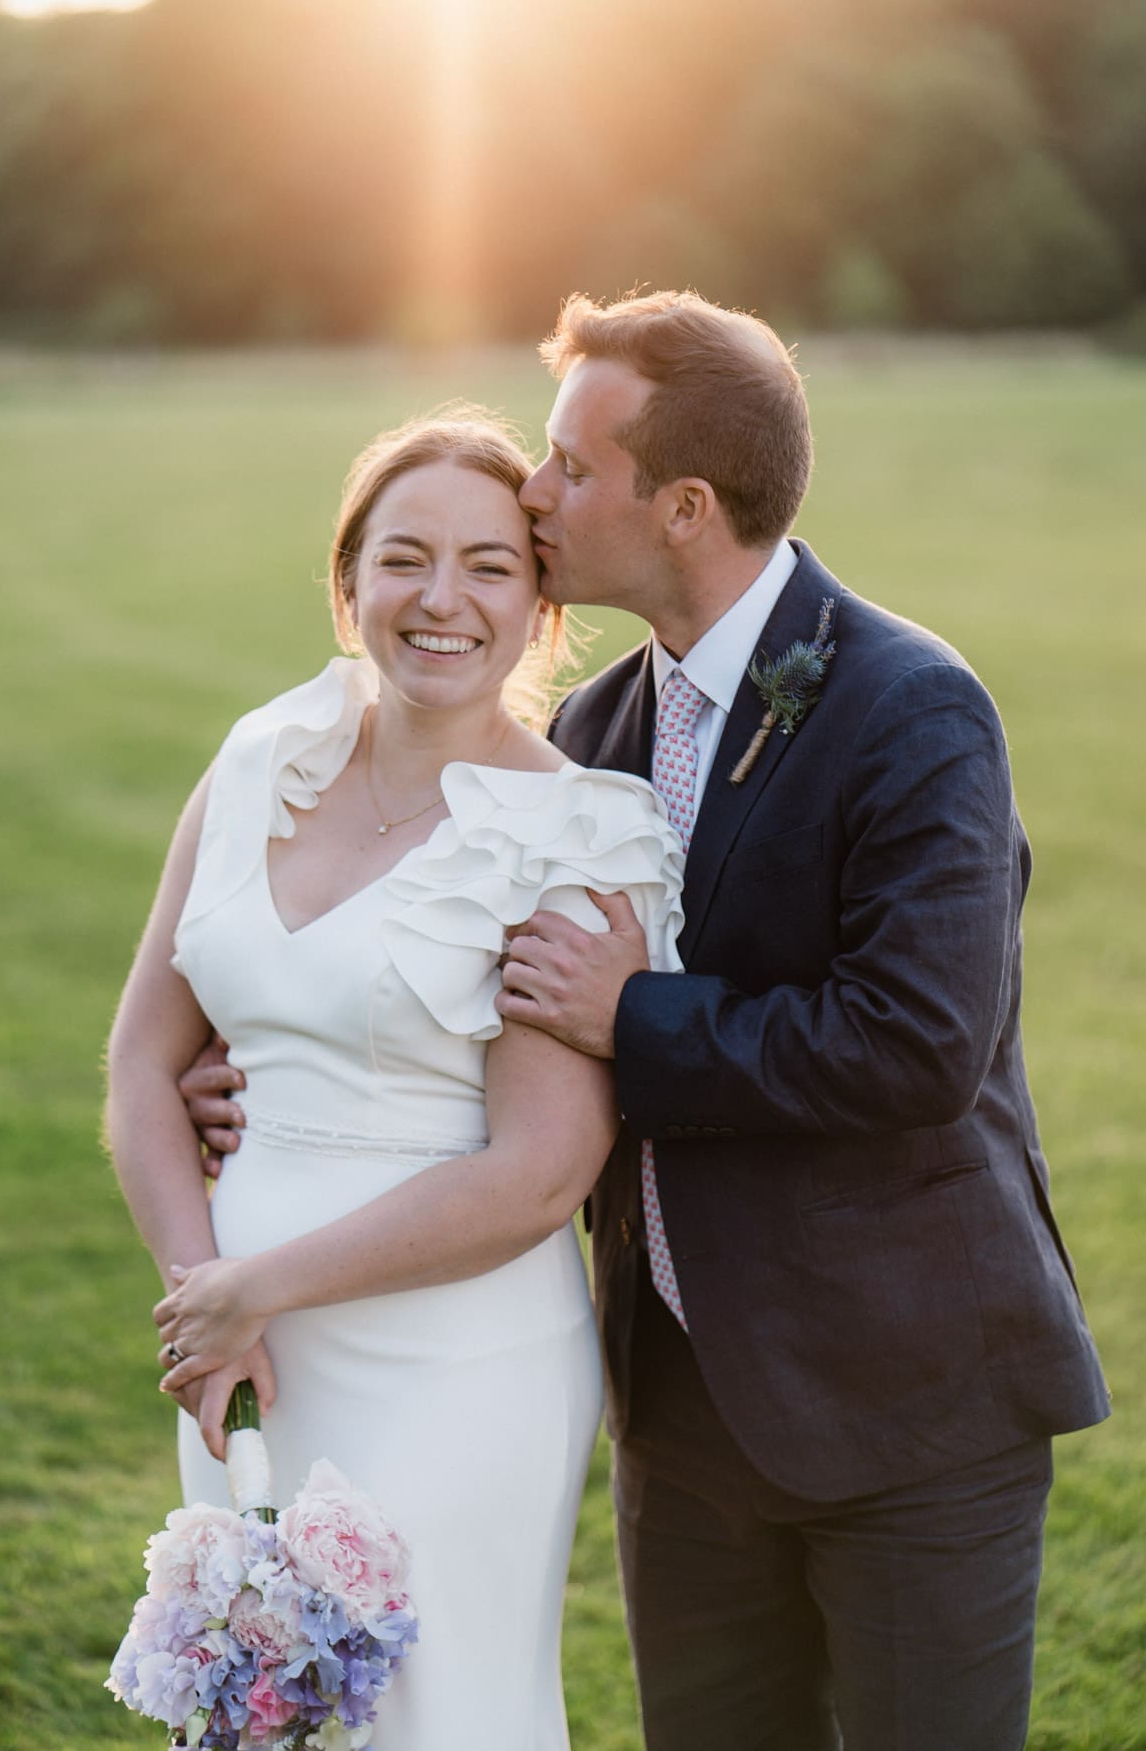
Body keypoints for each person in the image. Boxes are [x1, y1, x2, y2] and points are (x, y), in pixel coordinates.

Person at [179, 291, 1110, 1751]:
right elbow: (478, 1015)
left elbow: (920, 1044)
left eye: (567, 467)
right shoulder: (594, 735)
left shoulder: (912, 706)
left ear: (680, 507)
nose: (534, 495)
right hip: (681, 1412)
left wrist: (640, 1017)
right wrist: (272, 1078)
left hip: (906, 1404)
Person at [105, 411, 685, 1751]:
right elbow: (144, 1057)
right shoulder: (259, 759)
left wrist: (262, 1286)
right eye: (405, 558)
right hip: (243, 1357)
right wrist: (206, 1294)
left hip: (457, 1360)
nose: (442, 600)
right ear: (348, 579)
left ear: (541, 606)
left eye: (489, 566)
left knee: (436, 1717)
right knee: (266, 1718)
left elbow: (540, 1170)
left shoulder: (573, 831)